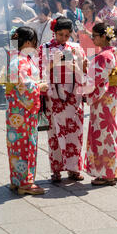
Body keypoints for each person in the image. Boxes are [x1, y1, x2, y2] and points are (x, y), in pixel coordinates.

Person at [39, 16, 87, 183]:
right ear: (54, 32)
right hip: (54, 97)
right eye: (60, 34)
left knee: (75, 132)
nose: (64, 38)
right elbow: (40, 71)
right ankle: (56, 170)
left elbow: (84, 71)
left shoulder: (76, 47)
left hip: (74, 97)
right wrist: (54, 63)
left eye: (67, 35)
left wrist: (76, 65)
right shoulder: (44, 48)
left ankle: (74, 169)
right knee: (54, 134)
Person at [5, 26, 48, 195]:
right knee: (27, 145)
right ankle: (26, 183)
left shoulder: (16, 58)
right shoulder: (21, 61)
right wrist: (40, 86)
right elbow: (26, 86)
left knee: (15, 145)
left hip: (15, 110)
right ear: (29, 42)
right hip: (24, 110)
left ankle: (16, 180)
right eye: (35, 42)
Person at [84, 22, 117, 186]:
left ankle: (107, 173)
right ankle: (111, 171)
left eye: (95, 36)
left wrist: (82, 81)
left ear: (104, 37)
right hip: (108, 98)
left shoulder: (103, 56)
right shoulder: (111, 52)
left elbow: (94, 80)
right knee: (108, 132)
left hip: (102, 99)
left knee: (104, 134)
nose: (92, 39)